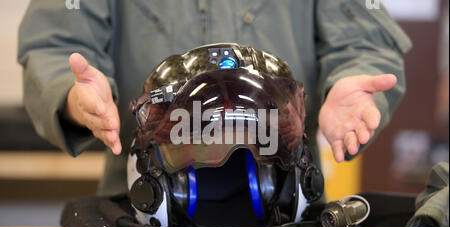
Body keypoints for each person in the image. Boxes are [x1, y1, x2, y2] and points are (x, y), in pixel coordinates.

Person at [18, 0, 412, 196]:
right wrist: (71, 96)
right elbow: (58, 42)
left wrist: (354, 80)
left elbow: (363, 39)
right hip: (142, 198)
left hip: (284, 194)